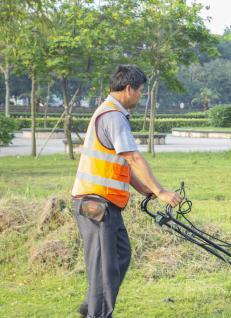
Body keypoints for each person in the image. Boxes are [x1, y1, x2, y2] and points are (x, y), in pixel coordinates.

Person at [71, 64, 181, 318]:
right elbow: (133, 158)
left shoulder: (110, 113)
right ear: (129, 88)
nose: (141, 96)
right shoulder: (113, 116)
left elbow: (120, 164)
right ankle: (97, 313)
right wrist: (161, 190)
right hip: (95, 204)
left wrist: (145, 190)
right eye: (140, 91)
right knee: (104, 268)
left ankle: (92, 305)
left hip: (105, 204)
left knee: (120, 254)